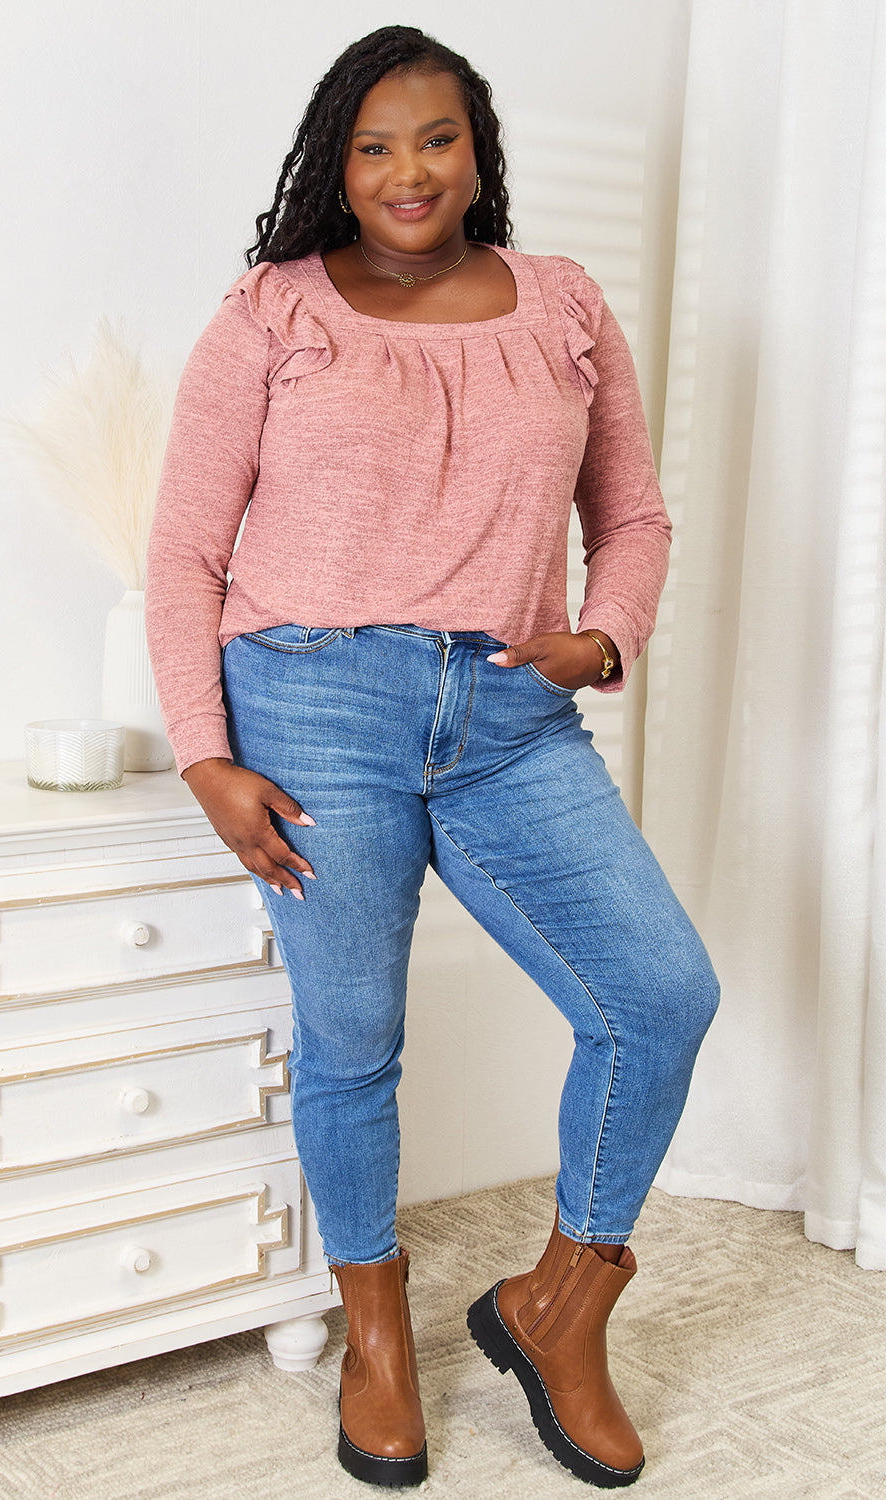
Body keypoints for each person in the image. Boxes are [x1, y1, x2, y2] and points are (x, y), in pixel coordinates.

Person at [145, 24, 719, 1491]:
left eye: (438, 138)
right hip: (313, 703)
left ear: (480, 151)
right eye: (376, 145)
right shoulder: (272, 316)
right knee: (355, 1041)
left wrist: (607, 638)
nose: (410, 171)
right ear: (337, 162)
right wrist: (207, 756)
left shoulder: (567, 305)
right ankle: (379, 1334)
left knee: (658, 995)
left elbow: (635, 515)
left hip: (514, 711)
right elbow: (186, 552)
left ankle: (561, 1304)